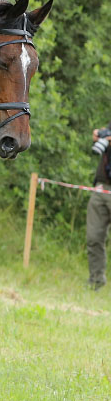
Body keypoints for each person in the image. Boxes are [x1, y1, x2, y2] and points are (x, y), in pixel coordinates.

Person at [86, 123, 111, 290]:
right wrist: (100, 135)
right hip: (101, 188)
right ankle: (96, 281)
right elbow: (97, 135)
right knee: (93, 237)